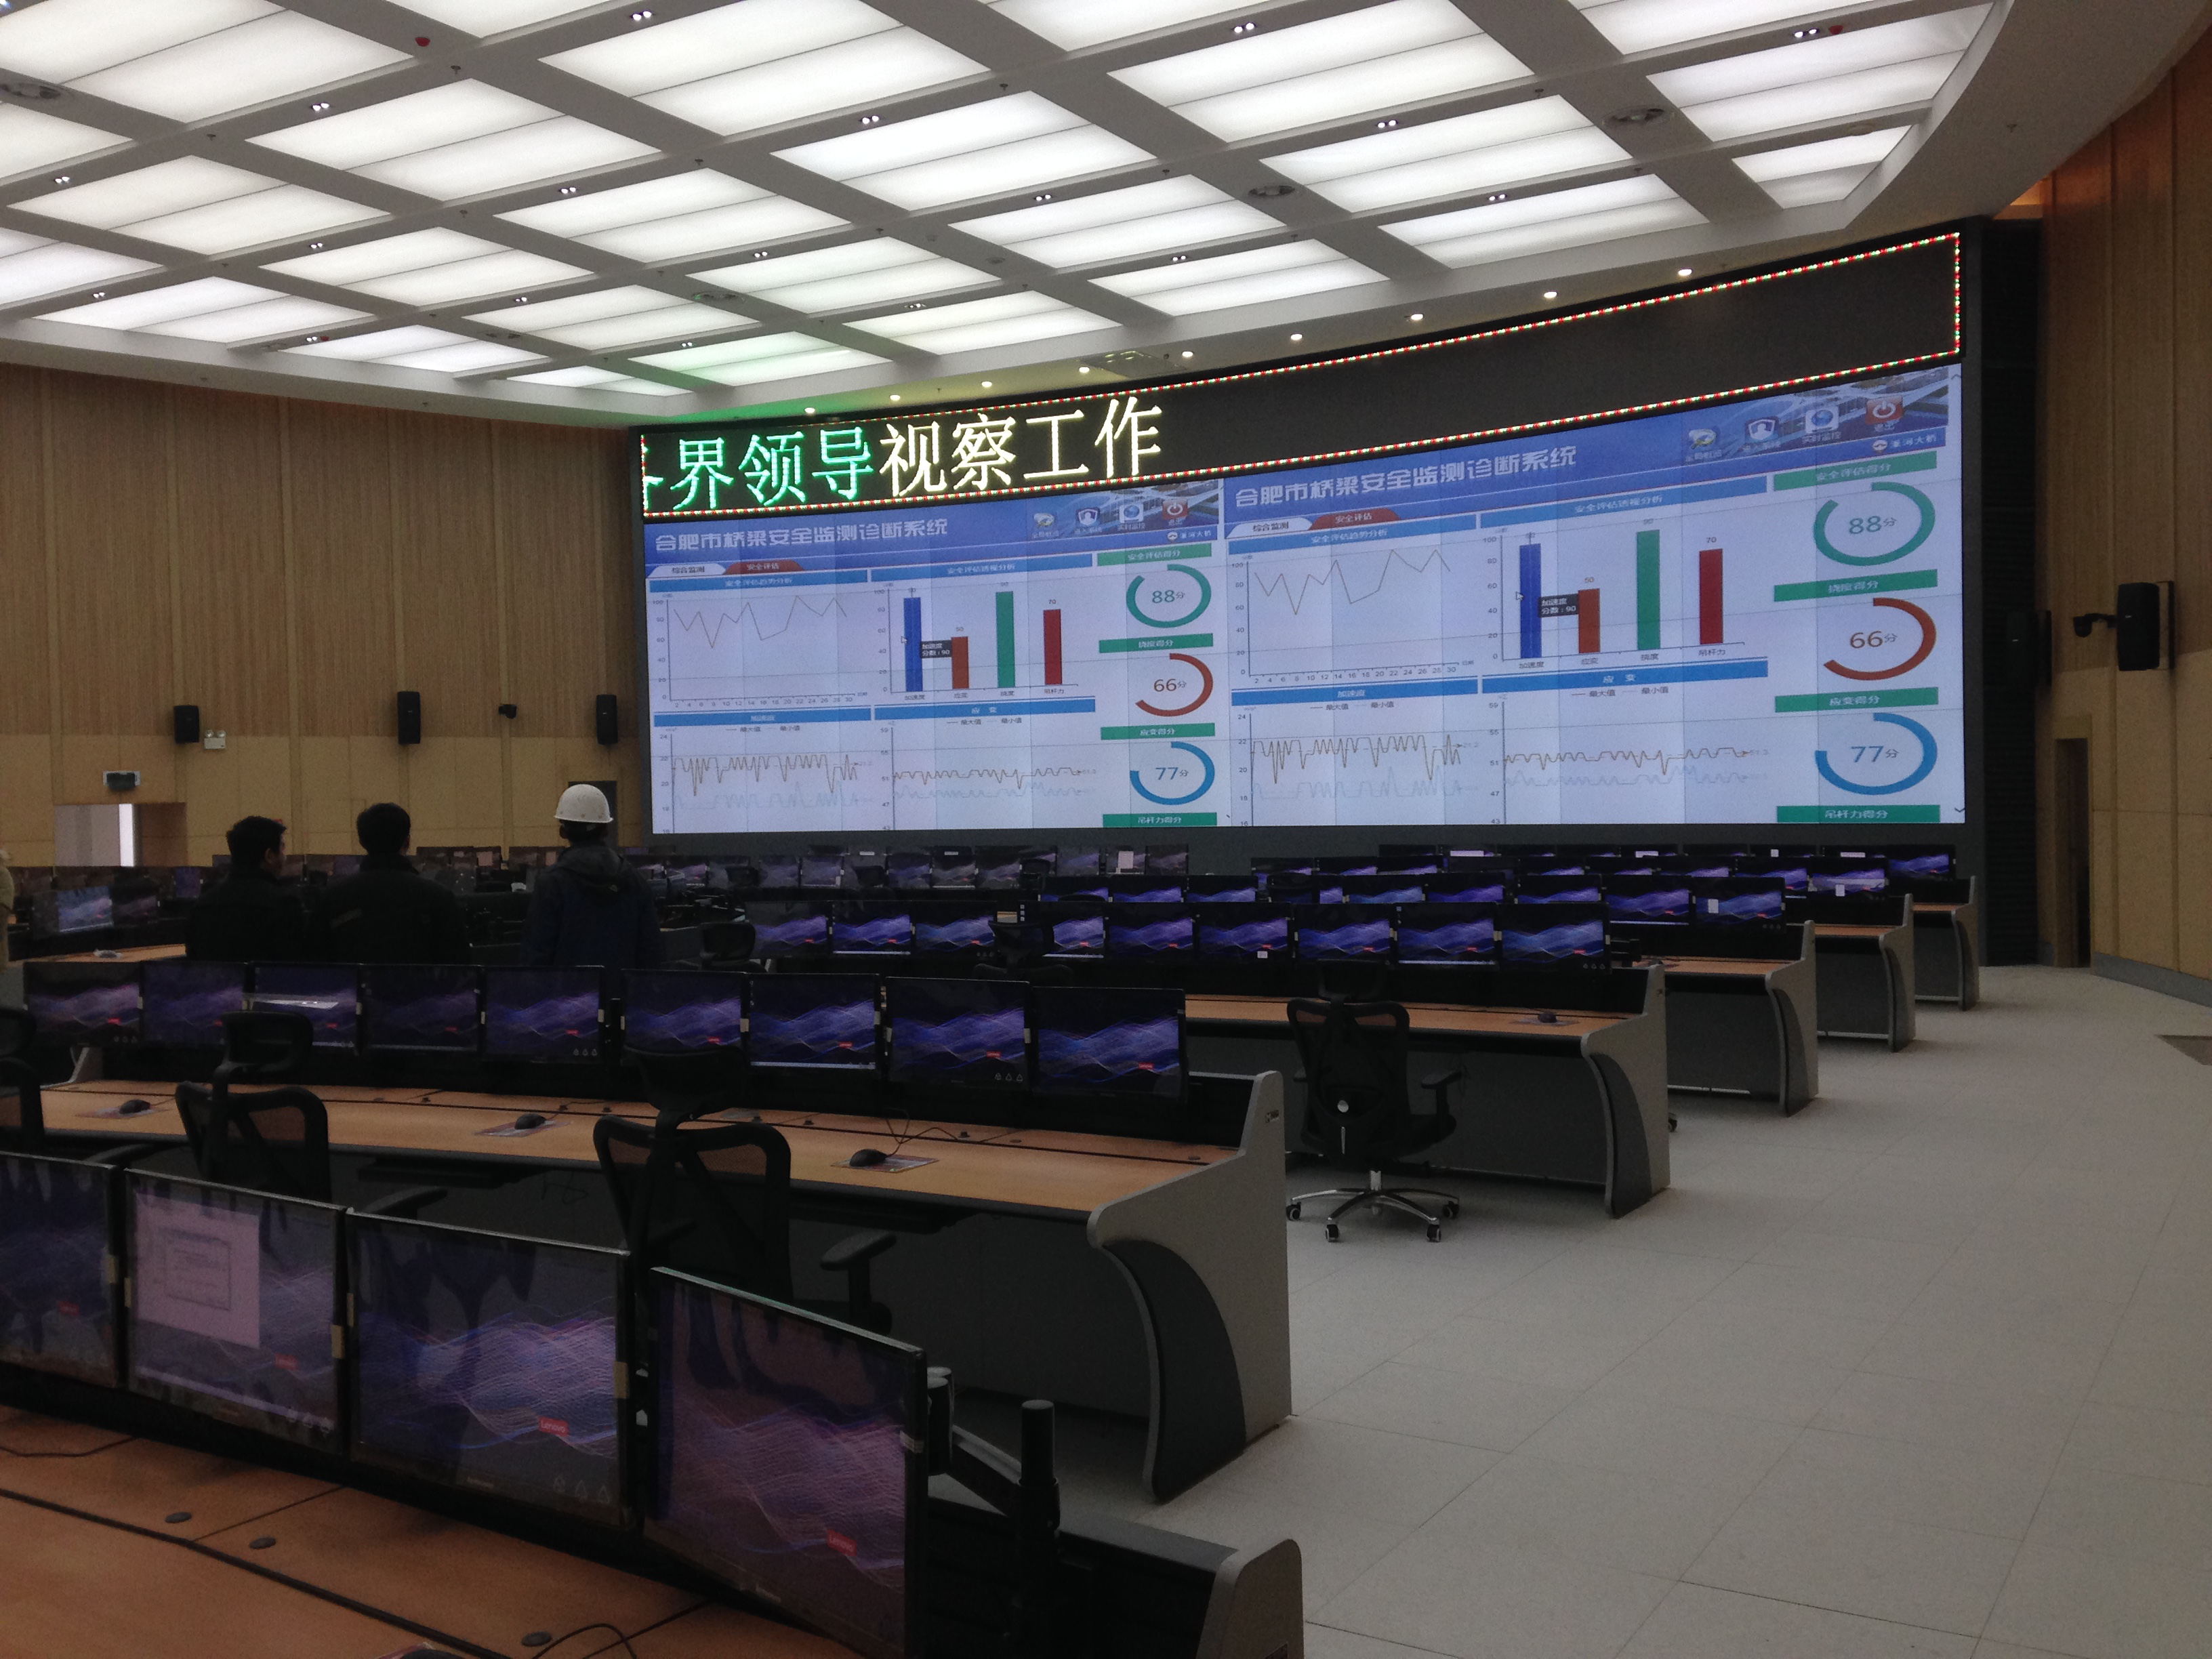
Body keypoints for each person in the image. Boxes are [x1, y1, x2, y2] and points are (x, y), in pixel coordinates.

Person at [308, 802, 471, 964]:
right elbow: (459, 963)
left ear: (362, 842)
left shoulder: (332, 899)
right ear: (407, 842)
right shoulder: (439, 898)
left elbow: (316, 962)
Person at [520, 785, 663, 969]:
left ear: (563, 832)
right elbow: (651, 953)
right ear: (606, 829)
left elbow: (536, 957)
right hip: (622, 987)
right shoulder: (635, 880)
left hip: (566, 988)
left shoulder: (551, 883)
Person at [187, 815, 308, 962]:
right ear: (269, 856)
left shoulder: (202, 906)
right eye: (282, 849)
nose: (285, 857)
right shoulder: (285, 905)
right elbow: (292, 966)